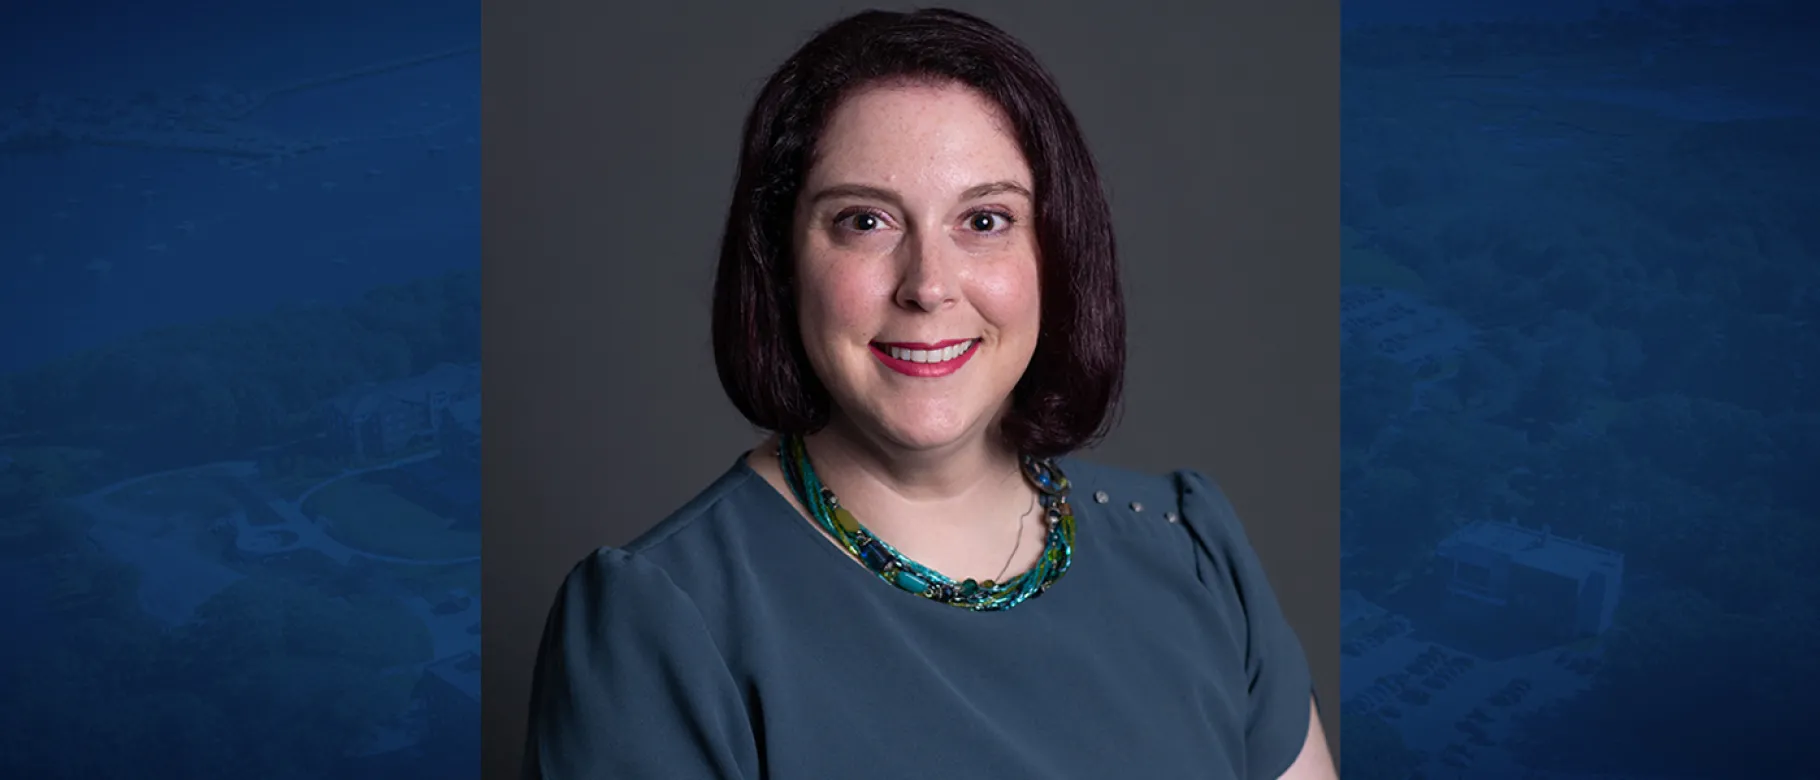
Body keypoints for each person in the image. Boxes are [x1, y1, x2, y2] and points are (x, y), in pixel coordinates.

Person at [522, 8, 1335, 779]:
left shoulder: (1193, 555)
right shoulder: (662, 620)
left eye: (984, 221)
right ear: (781, 260)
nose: (928, 286)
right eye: (864, 222)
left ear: (1055, 253)